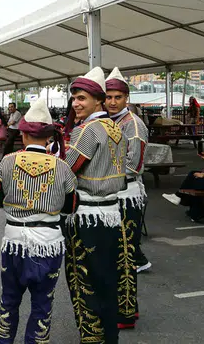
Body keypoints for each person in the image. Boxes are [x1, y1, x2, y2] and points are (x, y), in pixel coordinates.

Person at [0, 98, 78, 344]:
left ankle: (3, 340)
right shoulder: (62, 167)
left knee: (9, 299)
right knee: (42, 304)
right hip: (49, 243)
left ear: (25, 135)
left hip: (14, 242)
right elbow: (71, 206)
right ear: (49, 138)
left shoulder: (8, 162)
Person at [62, 67, 127, 343]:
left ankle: (92, 338)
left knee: (83, 282)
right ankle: (109, 337)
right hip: (111, 213)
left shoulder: (87, 130)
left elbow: (67, 172)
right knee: (107, 280)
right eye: (74, 98)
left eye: (81, 98)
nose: (76, 103)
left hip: (87, 216)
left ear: (98, 101)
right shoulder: (115, 127)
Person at [106, 67, 151, 330]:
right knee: (114, 254)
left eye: (117, 97)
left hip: (126, 194)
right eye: (109, 97)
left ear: (127, 98)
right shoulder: (111, 121)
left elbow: (134, 165)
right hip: (112, 193)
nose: (112, 102)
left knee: (125, 255)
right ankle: (119, 306)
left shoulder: (133, 125)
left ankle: (126, 312)